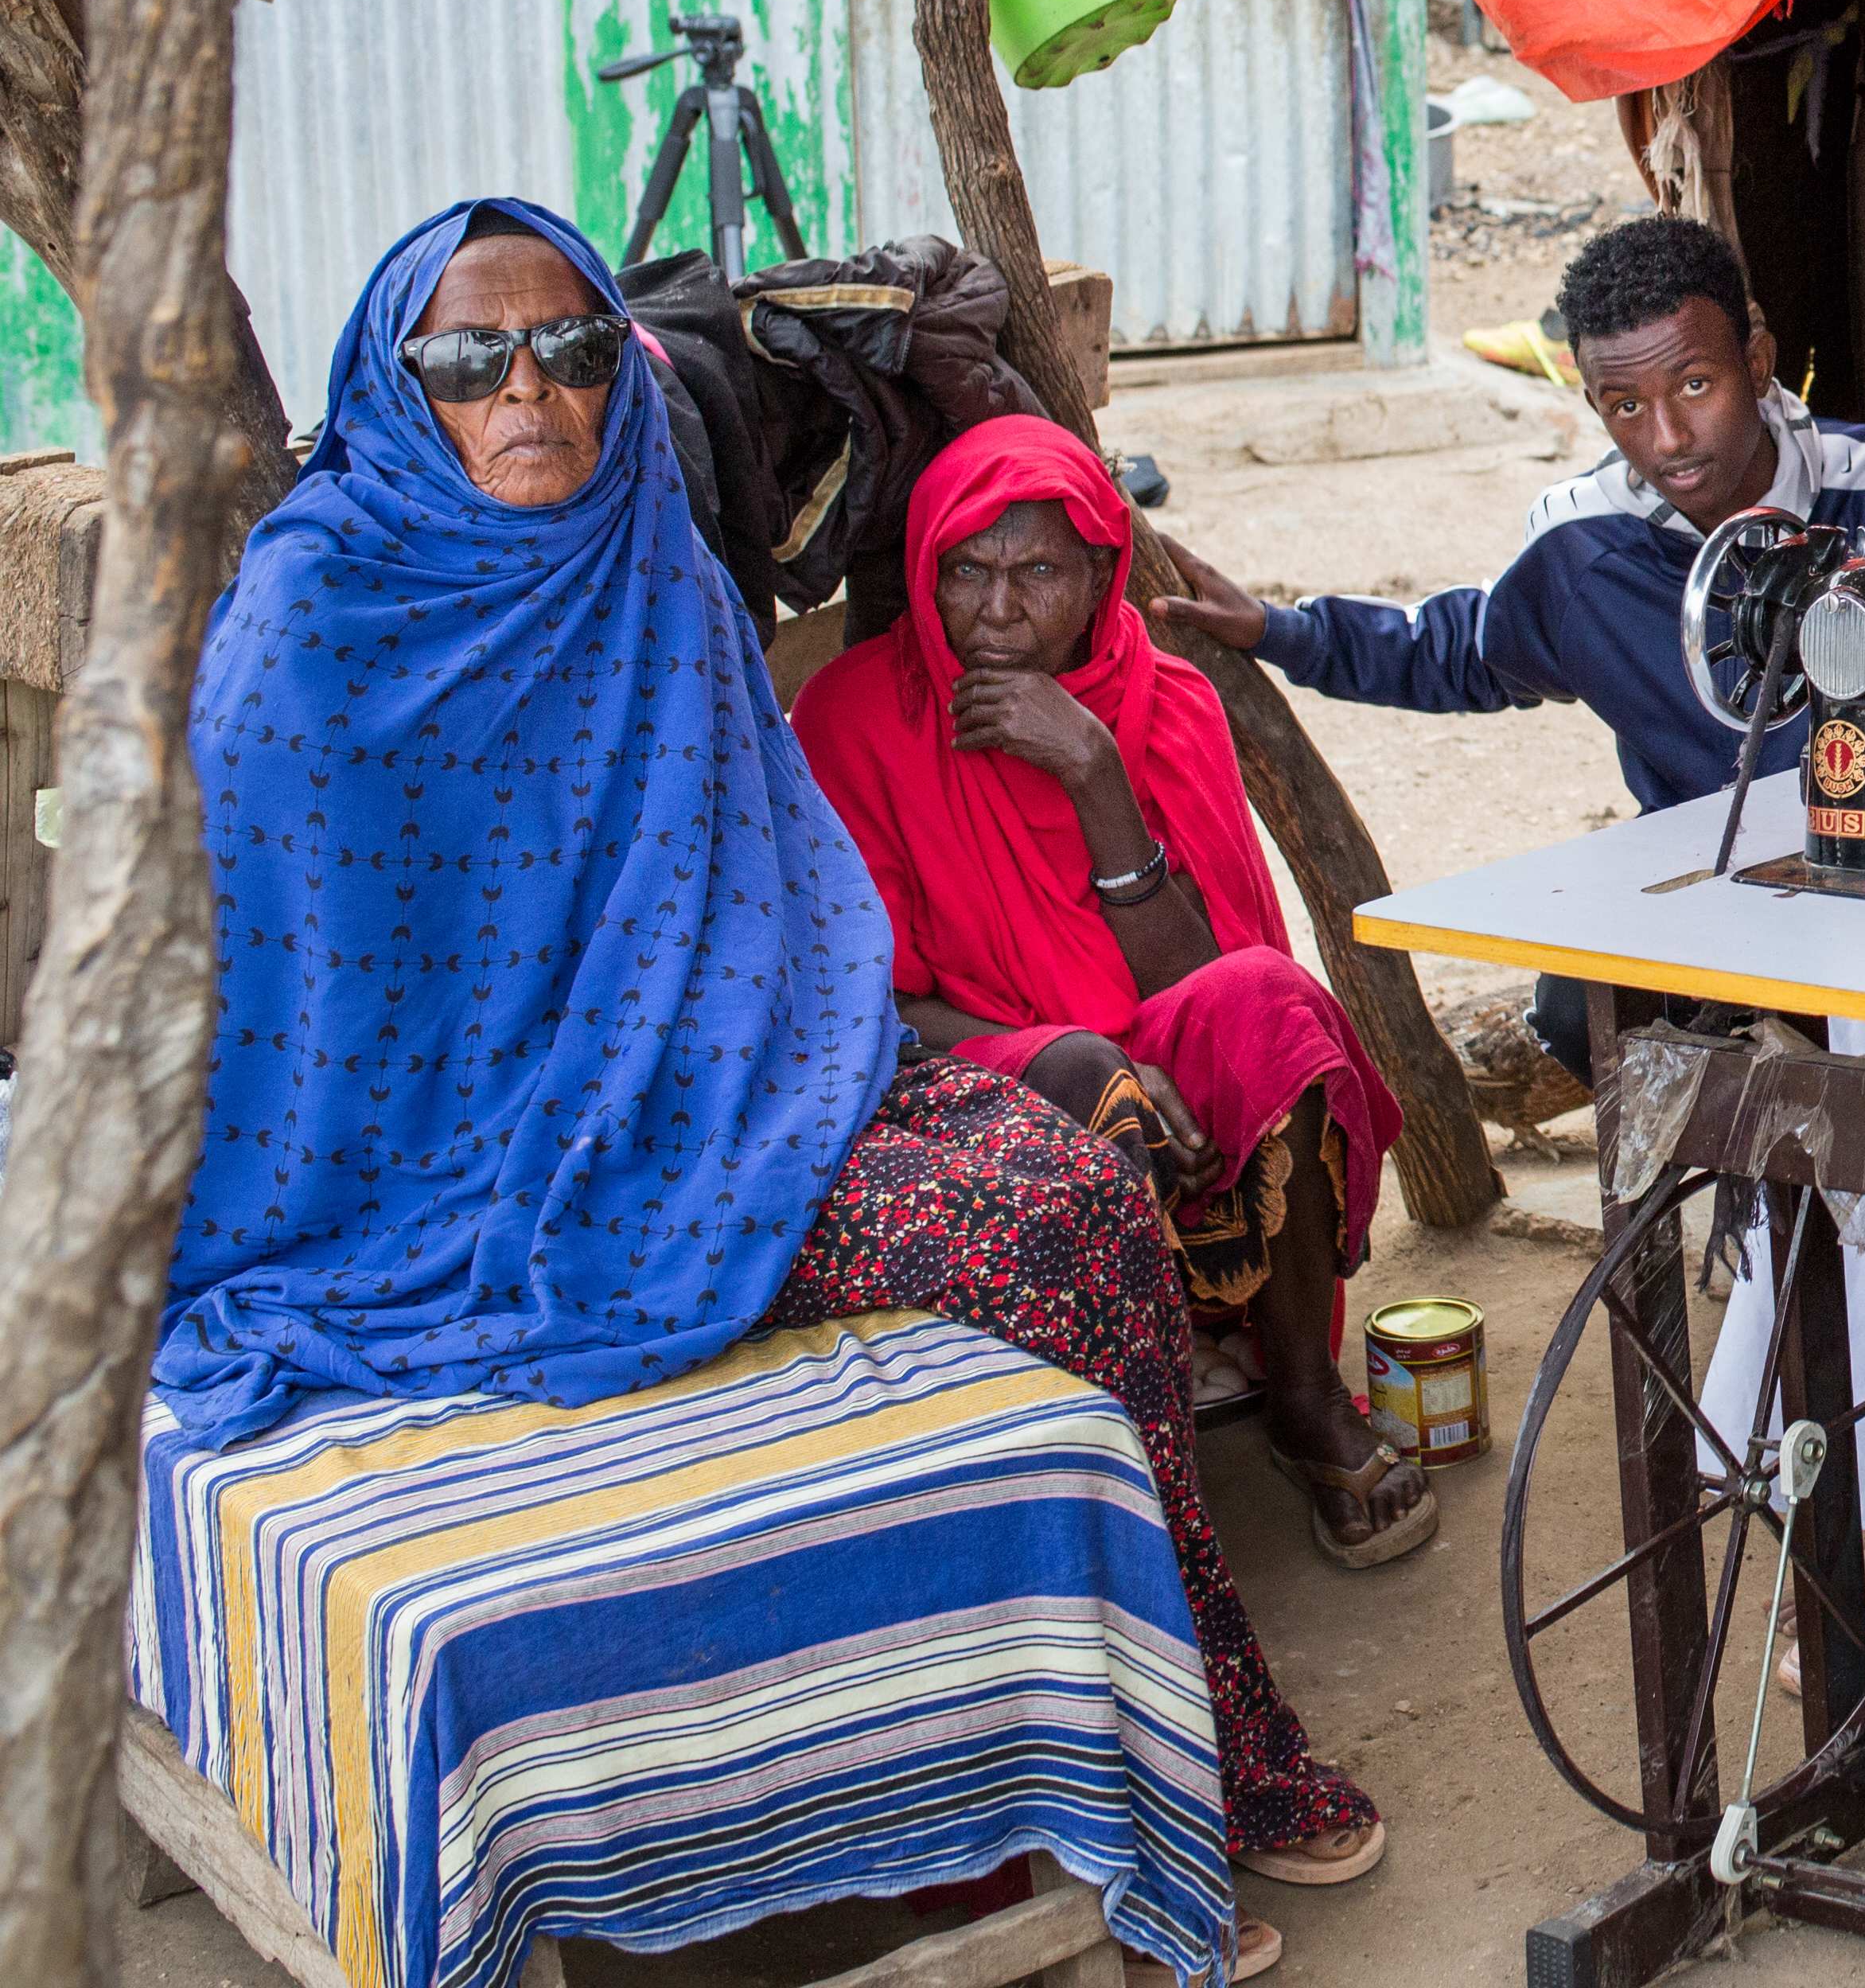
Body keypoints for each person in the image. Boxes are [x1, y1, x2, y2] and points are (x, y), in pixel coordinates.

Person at [163, 201, 1375, 1971]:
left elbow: (761, 897)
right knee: (1038, 1201)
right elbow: (293, 1009)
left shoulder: (644, 558)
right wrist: (563, 1115)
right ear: (391, 385)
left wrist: (729, 1081)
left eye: (578, 350)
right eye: (467, 356)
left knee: (1065, 1199)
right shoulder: (312, 620)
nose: (533, 392)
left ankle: (1172, 1741)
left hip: (717, 1105)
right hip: (439, 1182)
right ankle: (1090, 1795)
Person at [1154, 209, 1865, 1642]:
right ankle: (1755, 1259)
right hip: (1722, 910)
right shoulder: (1581, 547)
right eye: (1623, 403)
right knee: (1585, 1014)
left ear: (1758, 356)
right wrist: (1286, 633)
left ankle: (1850, 1375)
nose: (1669, 434)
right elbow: (1459, 654)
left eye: (1694, 384)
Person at [792, 414, 1427, 1573]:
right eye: (966, 570)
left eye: (1037, 571)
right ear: (925, 568)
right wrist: (1082, 1056)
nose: (995, 608)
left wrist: (1093, 773)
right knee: (1090, 1083)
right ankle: (1132, 1447)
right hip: (966, 1061)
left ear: (1100, 575)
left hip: (1153, 1026)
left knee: (1272, 1014)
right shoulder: (850, 719)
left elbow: (1212, 981)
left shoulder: (1168, 703)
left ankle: (1298, 1395)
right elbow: (867, 1011)